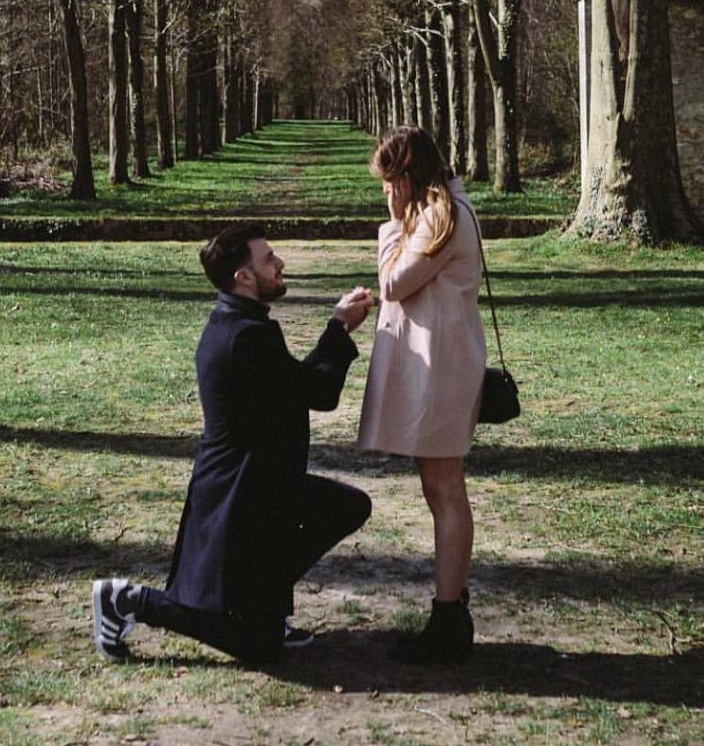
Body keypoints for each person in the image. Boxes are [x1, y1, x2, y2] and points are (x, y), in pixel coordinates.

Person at [92, 222, 374, 665]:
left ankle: (267, 607)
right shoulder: (246, 335)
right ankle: (127, 600)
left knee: (345, 506)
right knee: (256, 646)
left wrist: (337, 329)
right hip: (238, 502)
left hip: (263, 489)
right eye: (269, 259)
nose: (280, 264)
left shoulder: (239, 323)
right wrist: (338, 327)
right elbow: (319, 392)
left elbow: (296, 385)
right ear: (244, 276)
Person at [358, 126, 487, 664]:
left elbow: (393, 283)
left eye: (390, 181)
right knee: (441, 487)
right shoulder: (445, 210)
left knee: (445, 487)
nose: (386, 192)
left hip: (441, 368)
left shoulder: (440, 216)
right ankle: (452, 607)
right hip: (442, 362)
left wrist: (392, 225)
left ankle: (450, 616)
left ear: (407, 177)